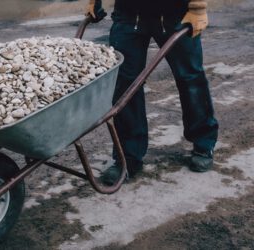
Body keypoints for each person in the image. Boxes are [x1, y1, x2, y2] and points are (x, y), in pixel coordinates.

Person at [86, 0, 219, 185]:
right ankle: (128, 158)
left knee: (190, 78)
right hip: (129, 13)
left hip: (175, 13)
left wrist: (198, 8)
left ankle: (204, 143)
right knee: (125, 84)